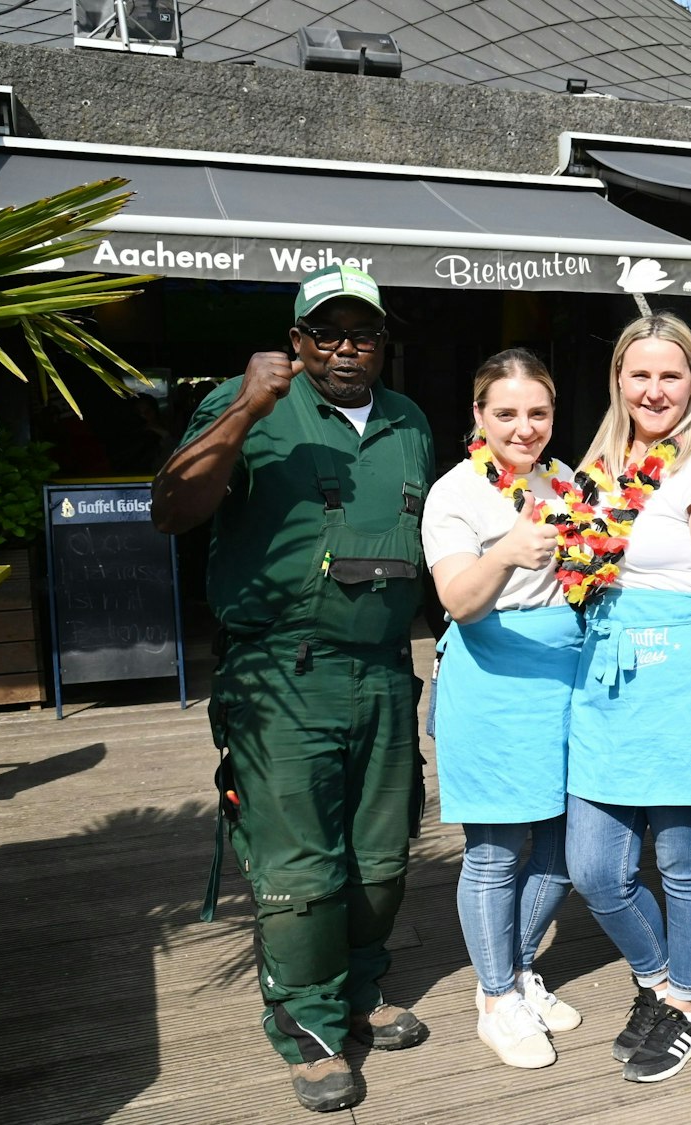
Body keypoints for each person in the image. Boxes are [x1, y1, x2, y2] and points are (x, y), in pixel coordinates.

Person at [153, 265, 433, 1113]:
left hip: (384, 669)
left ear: (383, 343)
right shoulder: (249, 409)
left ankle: (357, 989)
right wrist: (243, 408)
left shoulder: (410, 421)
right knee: (298, 863)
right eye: (329, 332)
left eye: (364, 333)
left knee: (382, 858)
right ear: (298, 341)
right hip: (281, 672)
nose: (348, 347)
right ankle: (308, 1027)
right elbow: (171, 506)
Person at [562, 313, 691, 1085]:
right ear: (618, 380)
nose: (654, 389)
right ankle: (659, 977)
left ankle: (684, 1001)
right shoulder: (592, 469)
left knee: (684, 859)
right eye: (639, 374)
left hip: (687, 678)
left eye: (670, 375)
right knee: (596, 867)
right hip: (607, 683)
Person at [421, 349, 587, 1070]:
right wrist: (509, 549)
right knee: (493, 851)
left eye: (538, 413)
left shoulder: (568, 480)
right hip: (490, 679)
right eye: (507, 413)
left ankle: (514, 971)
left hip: (564, 677)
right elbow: (456, 598)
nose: (525, 428)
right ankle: (495, 999)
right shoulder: (454, 493)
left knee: (563, 846)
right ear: (479, 416)